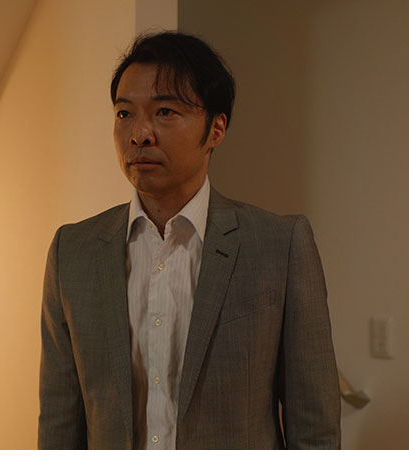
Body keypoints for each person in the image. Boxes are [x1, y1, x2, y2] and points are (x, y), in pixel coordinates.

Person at [38, 31, 340, 449]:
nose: (139, 134)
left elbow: (315, 428)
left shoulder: (279, 246)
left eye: (164, 111)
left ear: (216, 129)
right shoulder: (72, 251)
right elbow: (59, 422)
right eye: (124, 114)